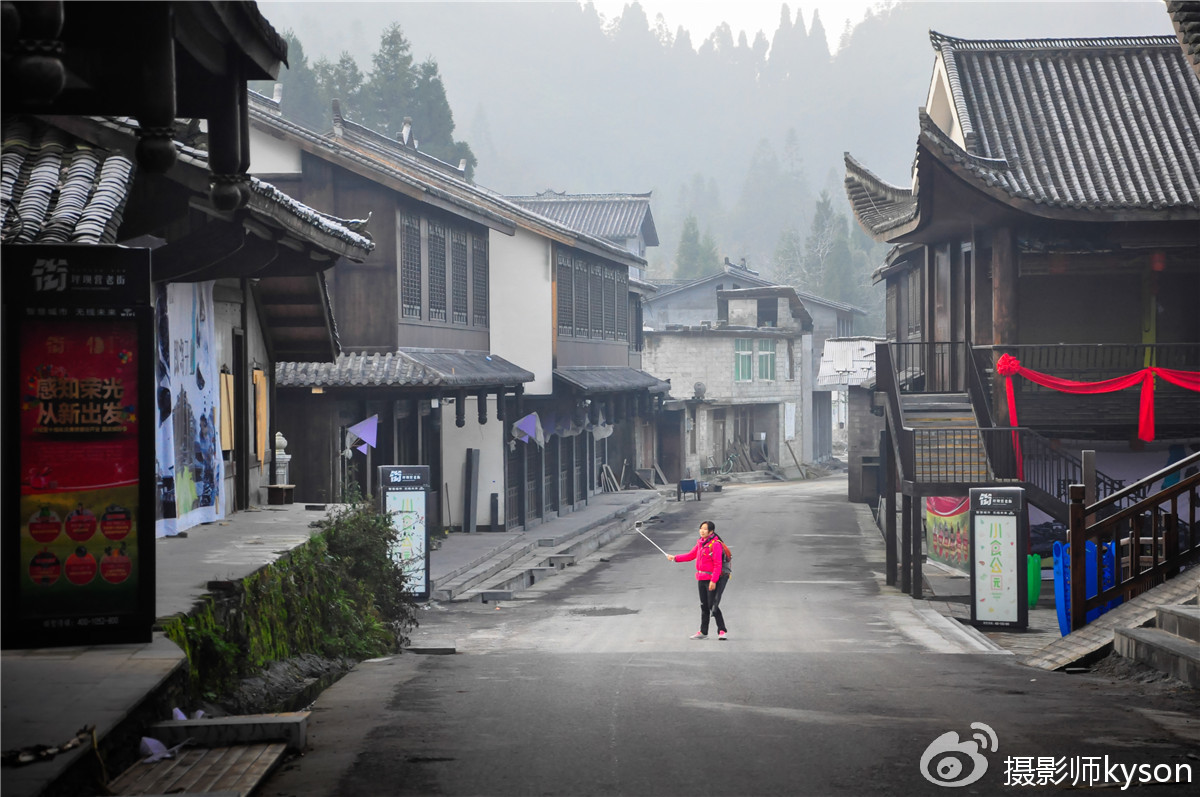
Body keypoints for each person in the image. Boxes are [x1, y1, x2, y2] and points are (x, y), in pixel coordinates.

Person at [668, 520, 730, 640]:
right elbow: (691, 555)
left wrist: (713, 581)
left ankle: (722, 630)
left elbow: (717, 564)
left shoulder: (715, 544)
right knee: (704, 605)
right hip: (701, 578)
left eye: (705, 529)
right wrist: (675, 558)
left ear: (711, 531)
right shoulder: (701, 543)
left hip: (711, 579)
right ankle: (703, 632)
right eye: (701, 528)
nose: (702, 531)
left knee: (713, 605)